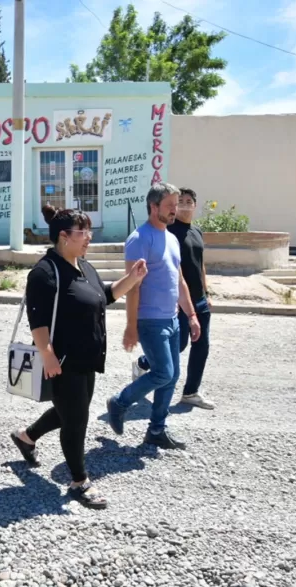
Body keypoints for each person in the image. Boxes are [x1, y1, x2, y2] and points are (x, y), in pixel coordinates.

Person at [10, 205, 147, 510]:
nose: (88, 237)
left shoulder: (84, 267)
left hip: (87, 358)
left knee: (70, 410)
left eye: (88, 231)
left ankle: (26, 437)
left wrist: (132, 279)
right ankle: (79, 481)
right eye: (82, 232)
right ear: (63, 236)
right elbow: (38, 319)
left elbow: (106, 295)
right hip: (63, 361)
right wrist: (47, 354)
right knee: (76, 420)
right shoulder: (46, 272)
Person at [107, 183, 201, 451]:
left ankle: (157, 429)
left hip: (172, 319)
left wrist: (191, 315)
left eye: (176, 205)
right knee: (163, 372)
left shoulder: (171, 238)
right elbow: (132, 285)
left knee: (171, 376)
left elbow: (179, 280)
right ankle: (120, 402)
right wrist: (130, 325)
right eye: (170, 205)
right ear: (154, 206)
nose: (175, 210)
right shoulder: (139, 239)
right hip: (150, 320)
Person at [133, 187, 214, 409]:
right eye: (181, 201)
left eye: (190, 201)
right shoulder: (170, 232)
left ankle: (190, 392)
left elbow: (200, 264)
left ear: (195, 205)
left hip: (199, 300)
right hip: (179, 302)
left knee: (202, 346)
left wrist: (206, 293)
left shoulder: (196, 232)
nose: (185, 205)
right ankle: (143, 363)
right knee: (177, 346)